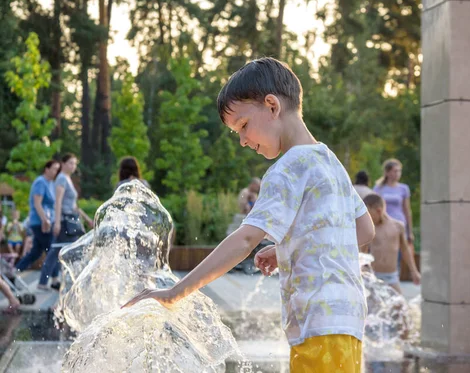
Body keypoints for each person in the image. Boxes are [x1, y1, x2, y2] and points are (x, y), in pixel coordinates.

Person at [123, 57, 375, 373]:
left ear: (272, 106)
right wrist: (288, 246)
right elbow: (365, 230)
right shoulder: (329, 161)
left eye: (242, 126)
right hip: (347, 317)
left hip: (317, 321)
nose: (242, 141)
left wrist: (176, 292)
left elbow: (244, 240)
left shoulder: (286, 169)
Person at [39, 153, 93, 290]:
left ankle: (46, 281)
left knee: (57, 249)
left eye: (75, 163)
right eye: (70, 163)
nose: (73, 166)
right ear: (63, 164)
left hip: (71, 218)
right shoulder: (62, 179)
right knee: (69, 250)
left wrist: (87, 219)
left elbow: (74, 205)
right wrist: (56, 222)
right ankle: (71, 282)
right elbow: (58, 202)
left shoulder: (67, 178)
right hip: (64, 221)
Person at [362, 193, 420, 294]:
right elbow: (362, 251)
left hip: (391, 277)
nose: (367, 218)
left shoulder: (398, 227)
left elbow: (405, 250)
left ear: (378, 210)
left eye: (369, 214)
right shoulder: (371, 229)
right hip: (374, 276)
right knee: (372, 308)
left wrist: (414, 271)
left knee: (400, 307)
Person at [14, 160, 61, 283]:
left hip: (47, 221)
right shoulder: (40, 182)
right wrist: (45, 220)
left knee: (36, 252)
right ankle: (54, 280)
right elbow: (37, 203)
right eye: (54, 169)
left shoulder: (51, 183)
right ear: (47, 169)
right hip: (40, 223)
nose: (56, 172)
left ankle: (15, 271)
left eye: (57, 169)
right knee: (52, 250)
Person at [373, 159, 415, 276]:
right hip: (383, 225)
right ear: (387, 172)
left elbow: (407, 210)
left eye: (399, 171)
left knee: (398, 253)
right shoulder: (379, 188)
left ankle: (394, 278)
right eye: (394, 171)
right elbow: (373, 207)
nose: (397, 174)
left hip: (399, 225)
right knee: (382, 251)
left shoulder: (403, 188)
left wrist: (409, 231)